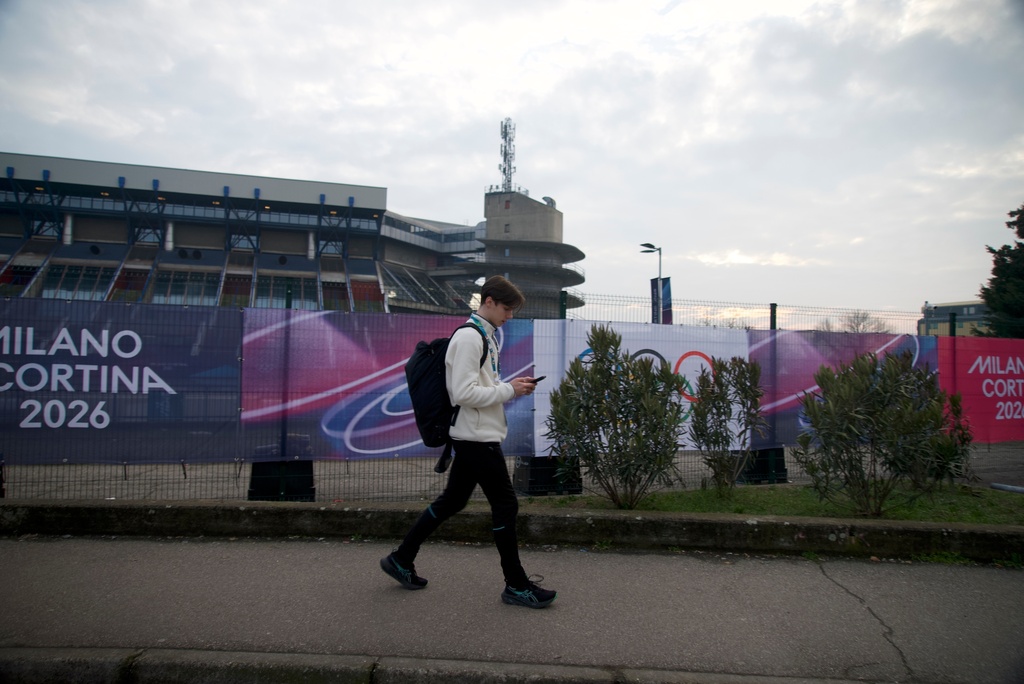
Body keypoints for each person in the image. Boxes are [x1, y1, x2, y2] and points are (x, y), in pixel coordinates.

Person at [380, 275, 556, 609]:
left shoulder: (486, 335)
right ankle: (516, 586)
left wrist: (510, 384)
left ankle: (401, 559)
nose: (510, 315)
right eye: (506, 308)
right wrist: (509, 390)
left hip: (477, 433)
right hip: (475, 437)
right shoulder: (469, 338)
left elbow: (480, 383)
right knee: (506, 504)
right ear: (488, 301)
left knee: (453, 501)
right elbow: (461, 393)